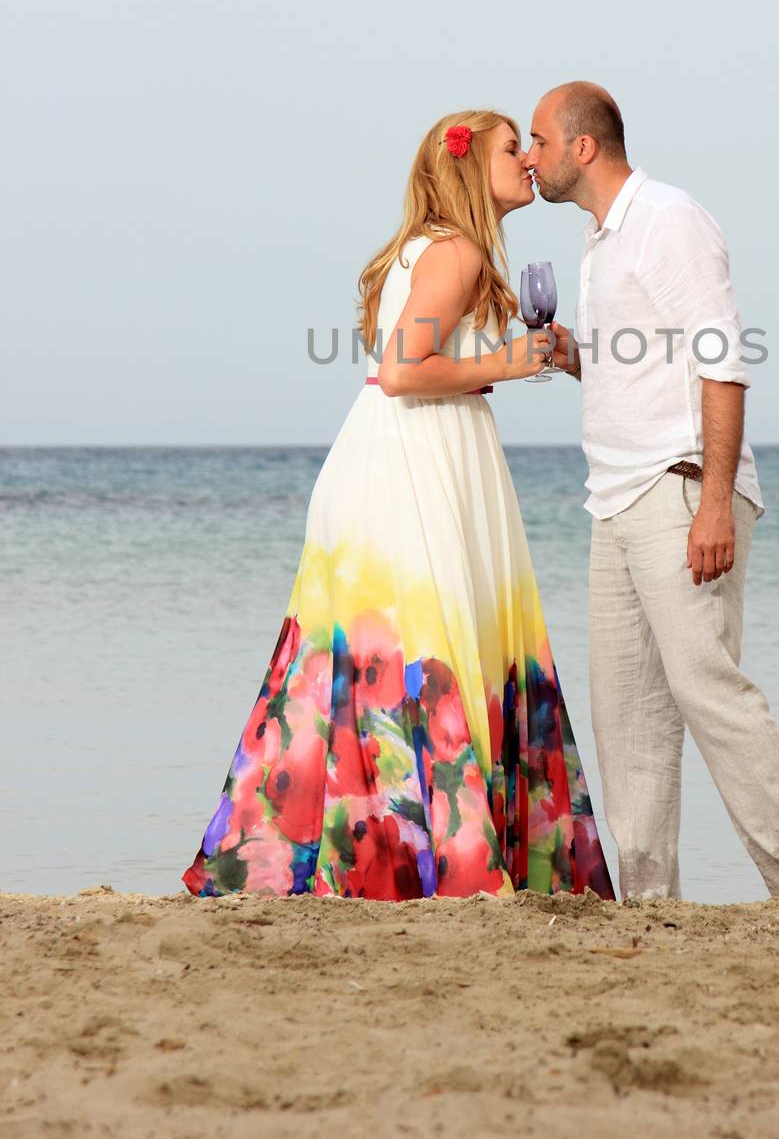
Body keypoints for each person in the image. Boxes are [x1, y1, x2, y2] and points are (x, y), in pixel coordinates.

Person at [182, 109, 615, 901]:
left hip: (401, 453)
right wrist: (513, 363)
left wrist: (495, 364)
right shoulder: (452, 252)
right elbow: (404, 371)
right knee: (429, 648)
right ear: (464, 167)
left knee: (375, 658)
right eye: (511, 149)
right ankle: (439, 866)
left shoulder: (435, 250)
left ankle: (362, 860)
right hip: (414, 461)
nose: (526, 161)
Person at [527, 82, 779, 903]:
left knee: (708, 690)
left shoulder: (666, 218)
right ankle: (648, 906)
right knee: (627, 718)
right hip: (613, 501)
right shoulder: (600, 241)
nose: (527, 158)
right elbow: (649, 366)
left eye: (537, 140)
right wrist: (578, 356)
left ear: (582, 147)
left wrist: (714, 501)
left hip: (678, 489)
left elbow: (722, 359)